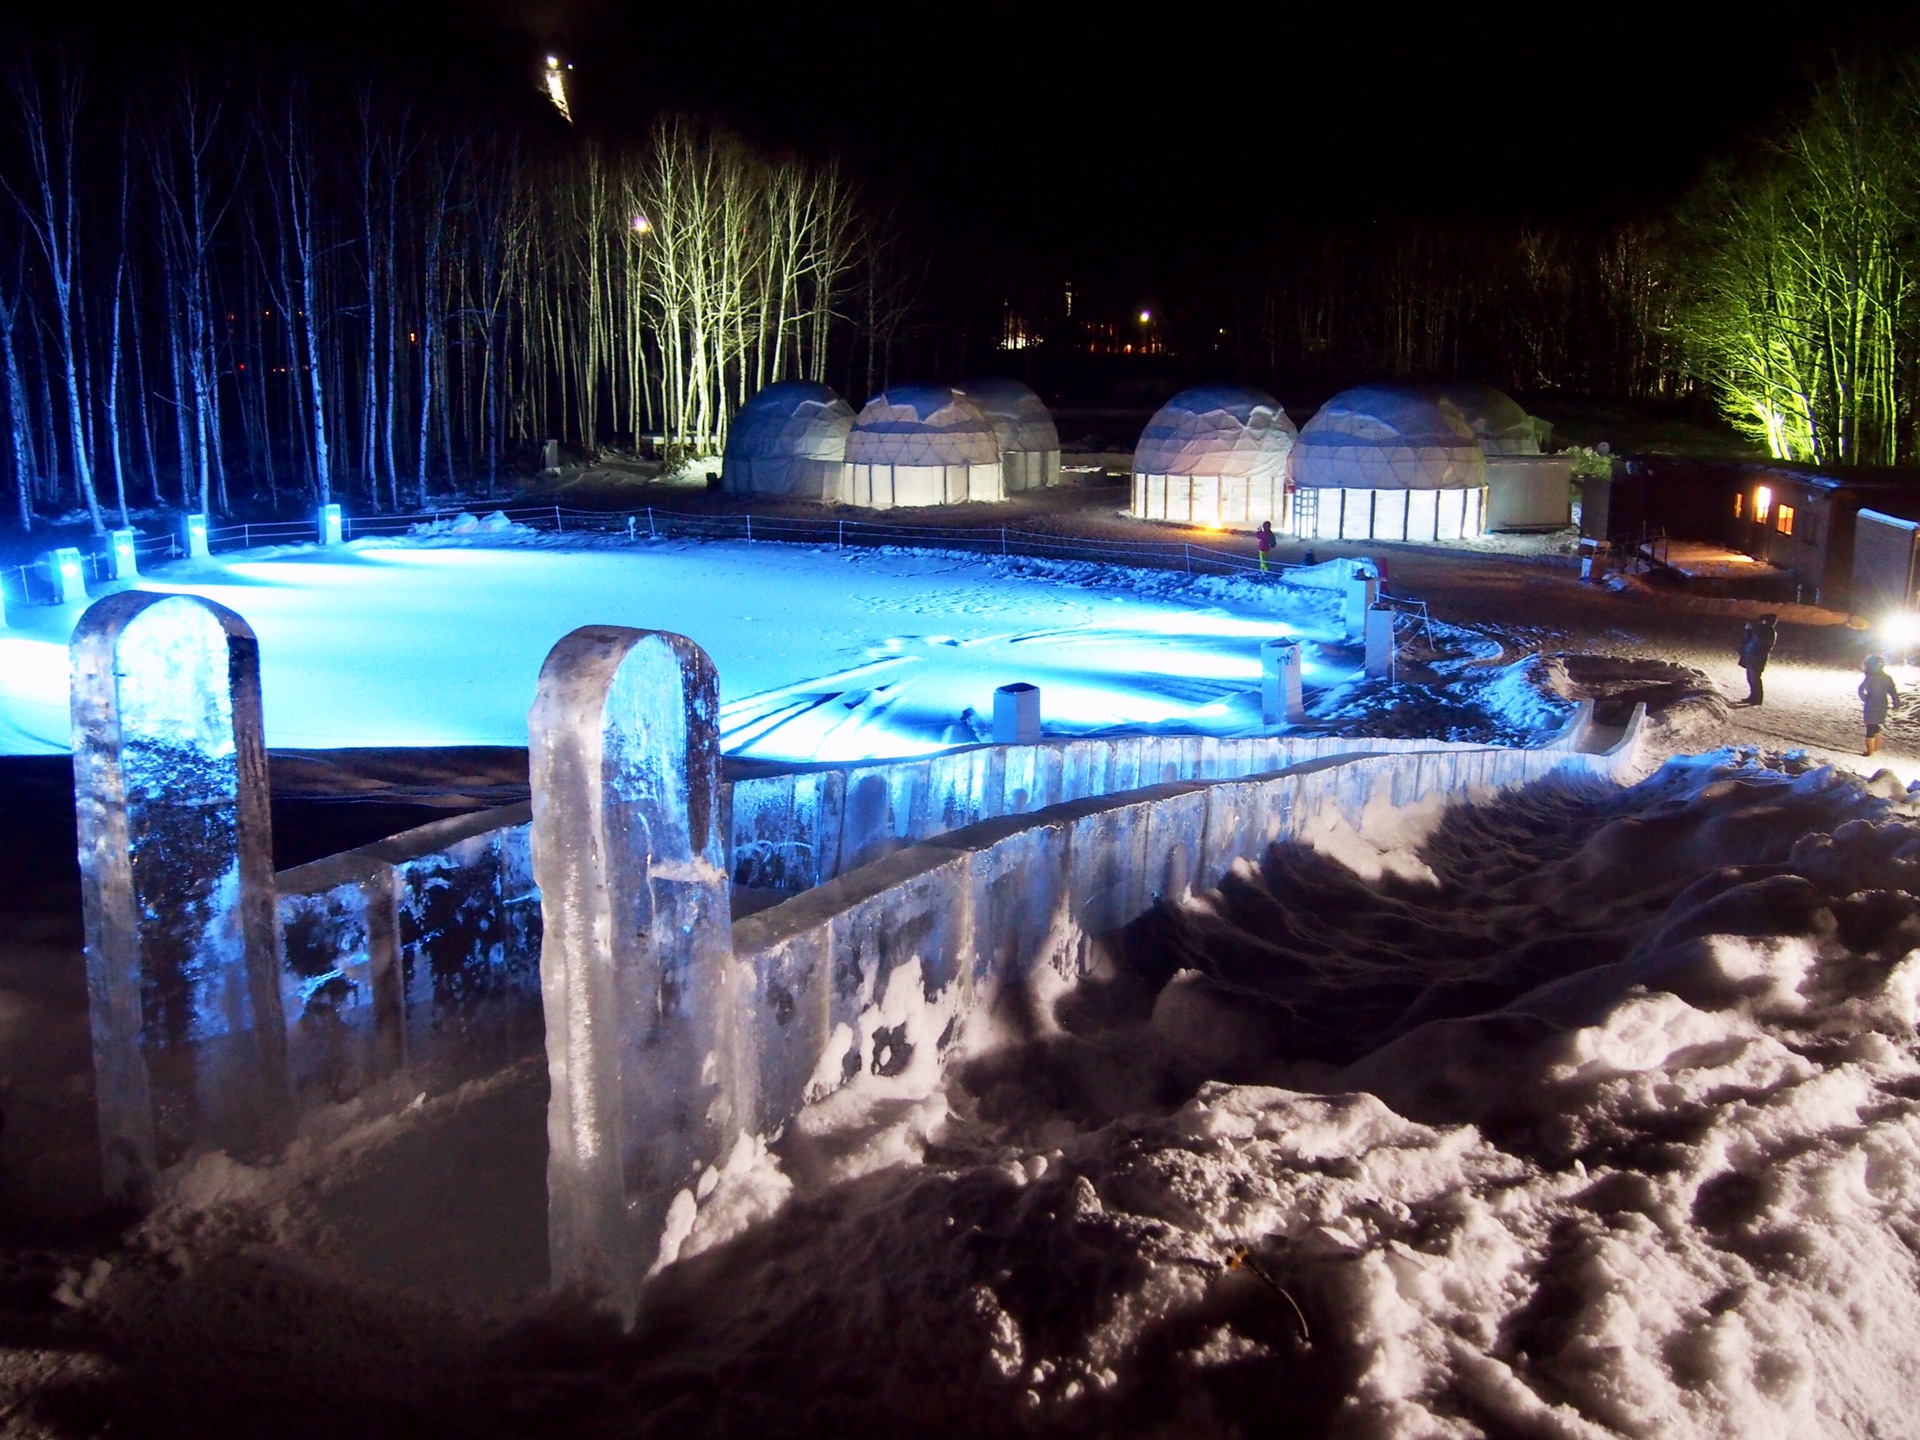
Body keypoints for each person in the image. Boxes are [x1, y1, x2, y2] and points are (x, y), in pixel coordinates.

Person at [1861, 654, 1899, 757]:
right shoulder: (1887, 678)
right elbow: (1893, 692)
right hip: (1882, 704)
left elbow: (1861, 689)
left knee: (1870, 725)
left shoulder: (1870, 677)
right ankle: (1875, 747)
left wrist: (1865, 698)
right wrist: (1896, 703)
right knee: (1876, 725)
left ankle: (1870, 751)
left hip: (1871, 703)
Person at [1737, 612, 1778, 705]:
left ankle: (1757, 698)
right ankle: (1753, 696)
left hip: (1758, 657)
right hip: (1752, 655)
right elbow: (1747, 639)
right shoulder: (1761, 630)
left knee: (1755, 678)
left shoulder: (1769, 632)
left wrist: (1752, 629)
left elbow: (1761, 641)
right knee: (1750, 678)